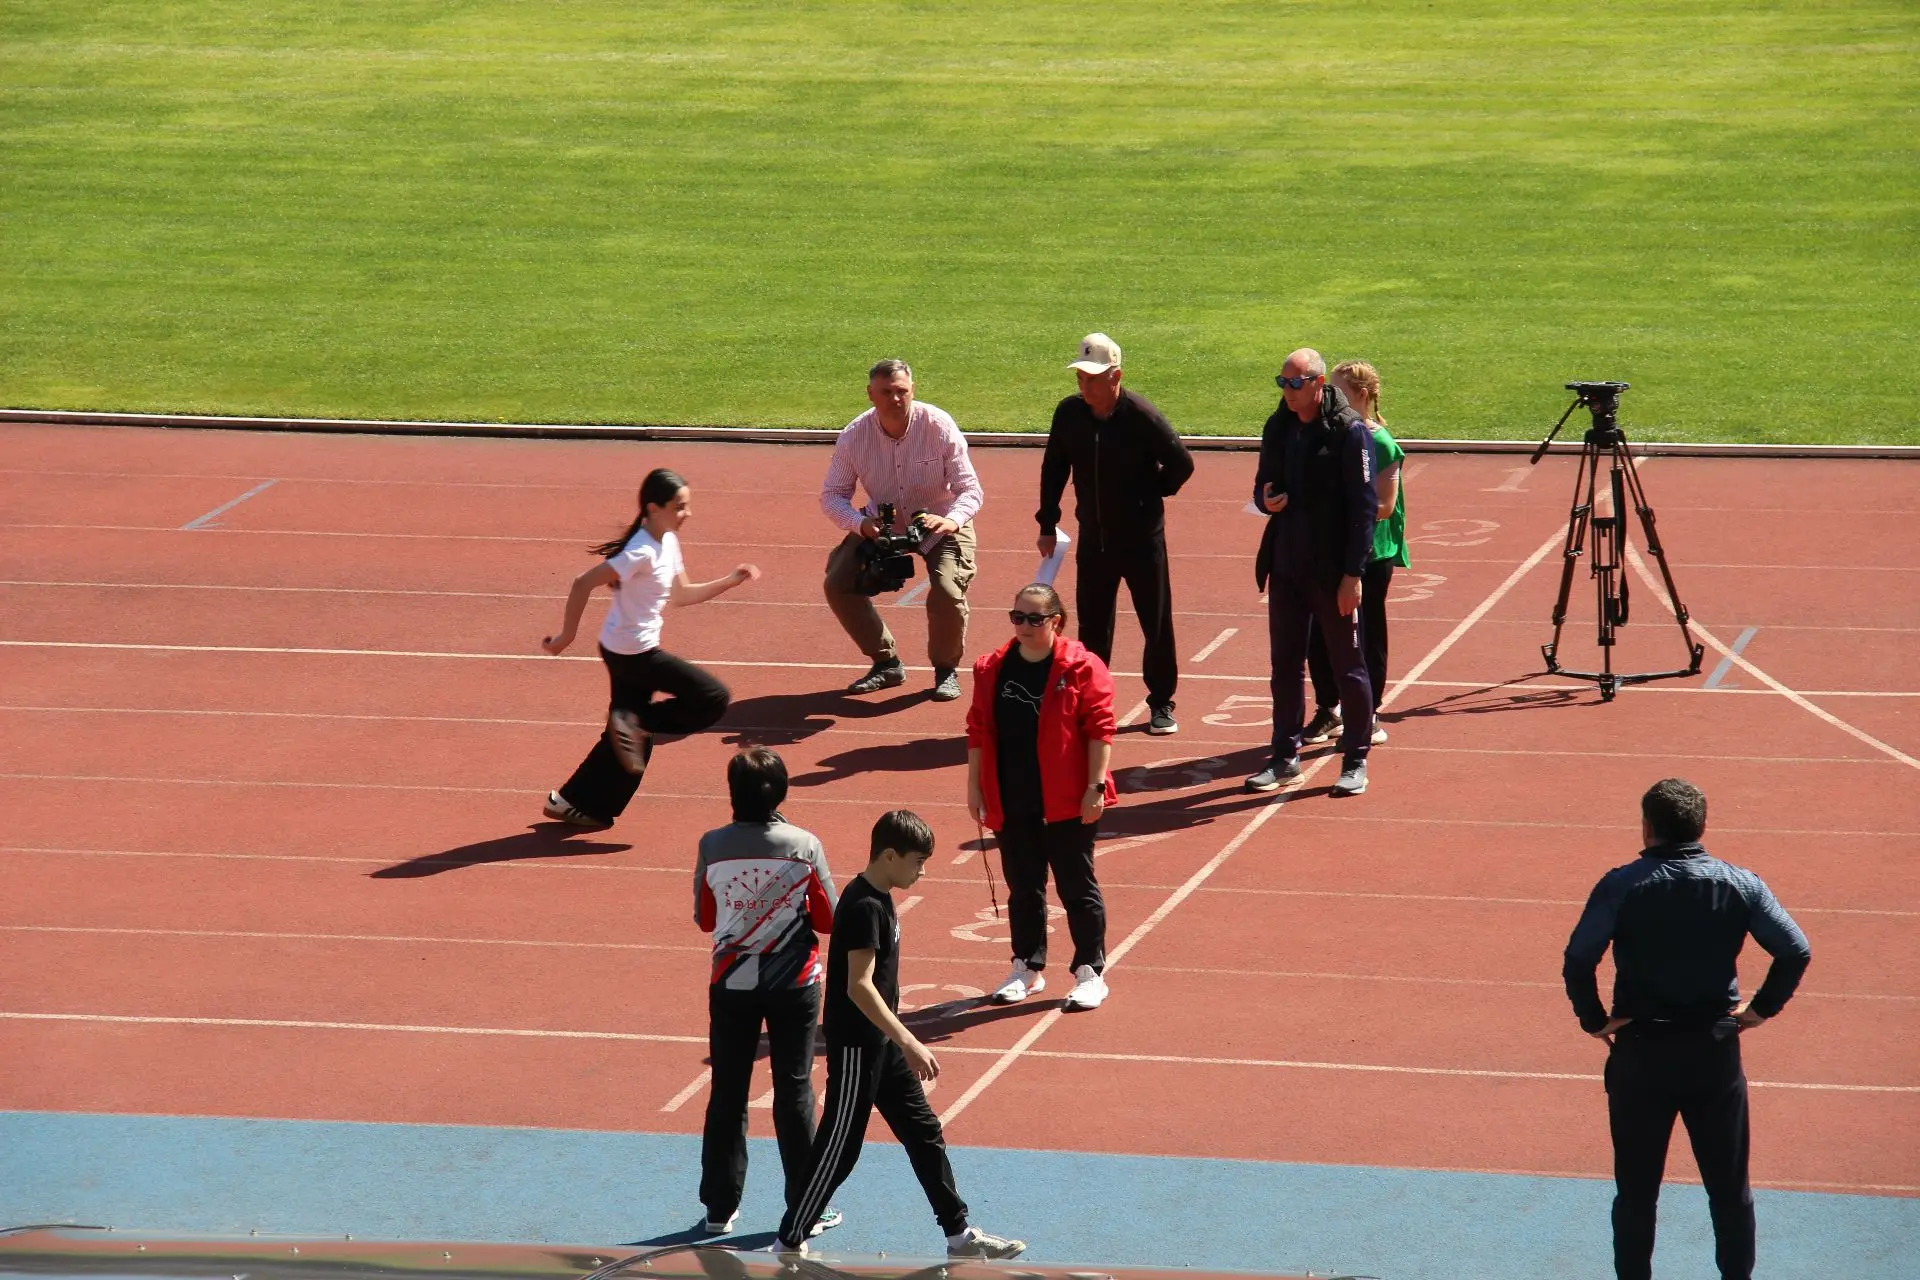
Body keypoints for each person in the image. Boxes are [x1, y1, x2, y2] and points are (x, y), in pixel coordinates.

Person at [1563, 778, 1812, 1280]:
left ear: (1647, 826)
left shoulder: (1621, 883)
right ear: (1702, 826)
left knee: (1636, 1190)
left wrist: (1594, 1020)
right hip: (1713, 1052)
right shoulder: (1741, 882)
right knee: (1729, 1190)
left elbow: (1578, 958)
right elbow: (1794, 950)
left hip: (1641, 1051)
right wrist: (1760, 1010)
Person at [774, 810, 1026, 1260]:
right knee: (840, 1148)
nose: (922, 871)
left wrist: (897, 1041)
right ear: (889, 855)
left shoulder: (882, 895)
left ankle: (959, 1234)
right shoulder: (864, 905)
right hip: (858, 1048)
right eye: (916, 862)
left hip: (883, 1045)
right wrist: (909, 1040)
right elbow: (858, 985)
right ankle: (789, 1239)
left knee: (924, 1131)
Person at [539, 468, 757, 826]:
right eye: (679, 506)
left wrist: (731, 581)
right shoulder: (640, 551)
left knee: (630, 742)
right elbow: (582, 583)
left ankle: (572, 801)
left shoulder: (666, 540)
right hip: (632, 653)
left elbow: (683, 595)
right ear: (654, 508)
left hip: (624, 648)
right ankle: (635, 723)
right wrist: (565, 637)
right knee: (713, 697)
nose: (687, 513)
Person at [693, 747, 842, 1239]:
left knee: (727, 1092)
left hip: (731, 983)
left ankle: (719, 1208)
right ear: (781, 792)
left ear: (731, 793)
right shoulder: (804, 844)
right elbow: (828, 918)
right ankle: (808, 1206)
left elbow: (706, 919)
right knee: (795, 1089)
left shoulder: (712, 844)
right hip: (794, 983)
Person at [965, 583, 1118, 1011]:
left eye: (1034, 619)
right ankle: (1026, 967)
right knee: (1023, 886)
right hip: (1012, 796)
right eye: (1017, 617)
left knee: (1075, 885)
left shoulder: (1082, 667)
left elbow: (1100, 729)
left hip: (1067, 797)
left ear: (1056, 621)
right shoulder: (992, 668)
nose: (1024, 626)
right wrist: (974, 786)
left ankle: (1090, 971)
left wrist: (1095, 787)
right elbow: (978, 728)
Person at [1037, 332, 1195, 735]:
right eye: (1080, 377)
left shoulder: (1142, 415)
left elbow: (1181, 464)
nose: (1084, 386)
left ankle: (1161, 703)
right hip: (1094, 540)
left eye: (1093, 378)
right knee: (1092, 626)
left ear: (1116, 376)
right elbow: (1054, 467)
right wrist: (1047, 522)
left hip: (1143, 541)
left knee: (1155, 623)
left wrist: (1151, 493)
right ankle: (1091, 702)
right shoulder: (1069, 414)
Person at [1246, 348, 1377, 797]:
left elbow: (1364, 512)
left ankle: (1356, 758)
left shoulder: (1349, 432)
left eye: (1295, 383)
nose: (1287, 392)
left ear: (1318, 384)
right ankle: (1284, 757)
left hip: (1331, 572)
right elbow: (1262, 483)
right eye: (1282, 383)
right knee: (1283, 667)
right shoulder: (1278, 425)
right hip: (1286, 566)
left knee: (1348, 668)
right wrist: (1266, 499)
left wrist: (1352, 575)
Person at [821, 359, 986, 703]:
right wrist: (859, 524)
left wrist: (952, 520)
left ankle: (945, 670)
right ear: (871, 395)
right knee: (837, 582)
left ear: (913, 390)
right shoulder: (854, 436)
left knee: (946, 591)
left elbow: (970, 489)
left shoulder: (939, 426)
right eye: (887, 392)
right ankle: (886, 662)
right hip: (880, 526)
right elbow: (833, 496)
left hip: (939, 521)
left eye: (902, 391)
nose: (896, 399)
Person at [1303, 360, 1408, 747]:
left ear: (1360, 396)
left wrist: (1335, 507)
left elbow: (1383, 504)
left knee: (1366, 633)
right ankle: (1328, 709)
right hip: (1334, 548)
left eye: (1339, 391)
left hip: (1372, 552)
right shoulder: (1336, 434)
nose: (1329, 398)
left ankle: (1370, 711)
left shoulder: (1380, 442)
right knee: (1320, 632)